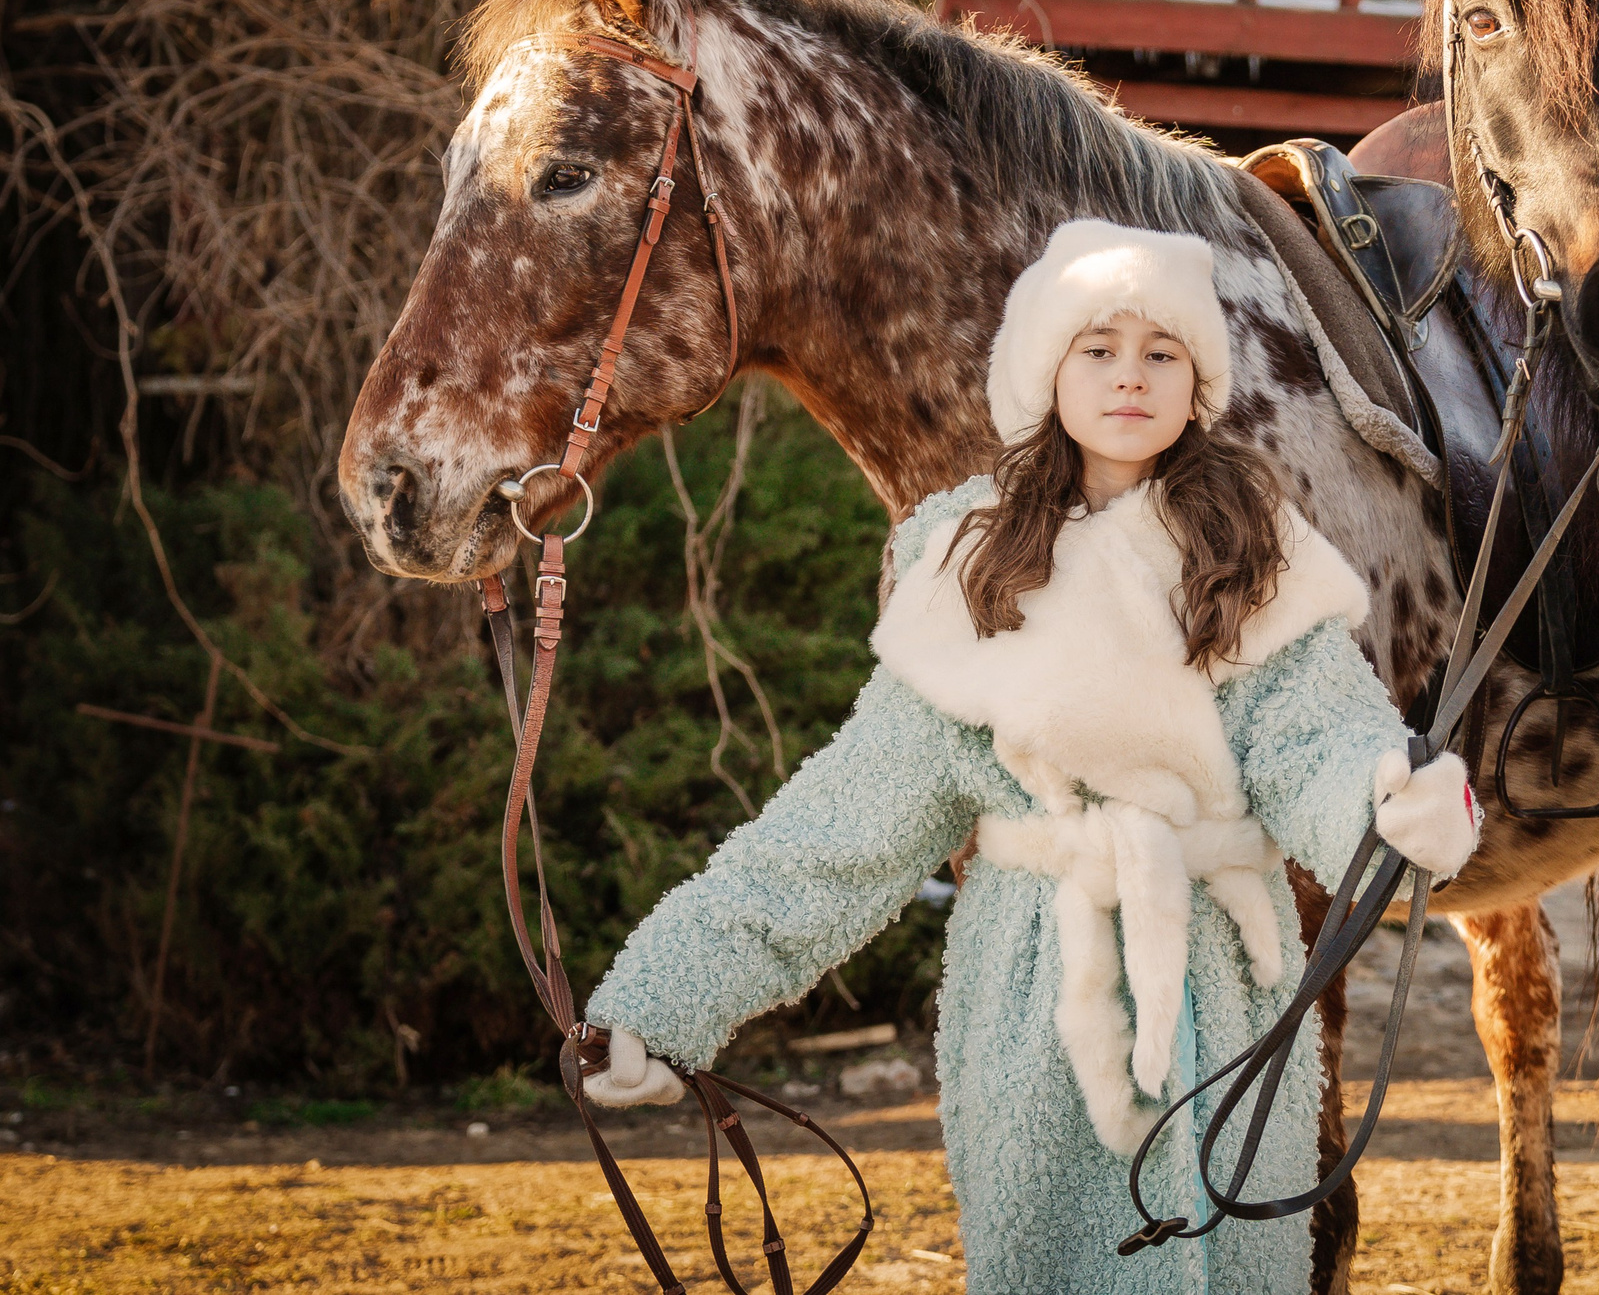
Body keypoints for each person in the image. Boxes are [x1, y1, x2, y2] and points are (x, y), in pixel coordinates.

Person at [579, 218, 1481, 1295]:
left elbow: (1320, 740)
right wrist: (656, 1005)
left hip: (1230, 996)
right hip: (1036, 997)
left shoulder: (1253, 547)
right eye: (1098, 349)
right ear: (1045, 367)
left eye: (1162, 353)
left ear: (1198, 381)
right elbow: (839, 831)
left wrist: (1392, 809)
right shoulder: (970, 559)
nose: (1129, 377)